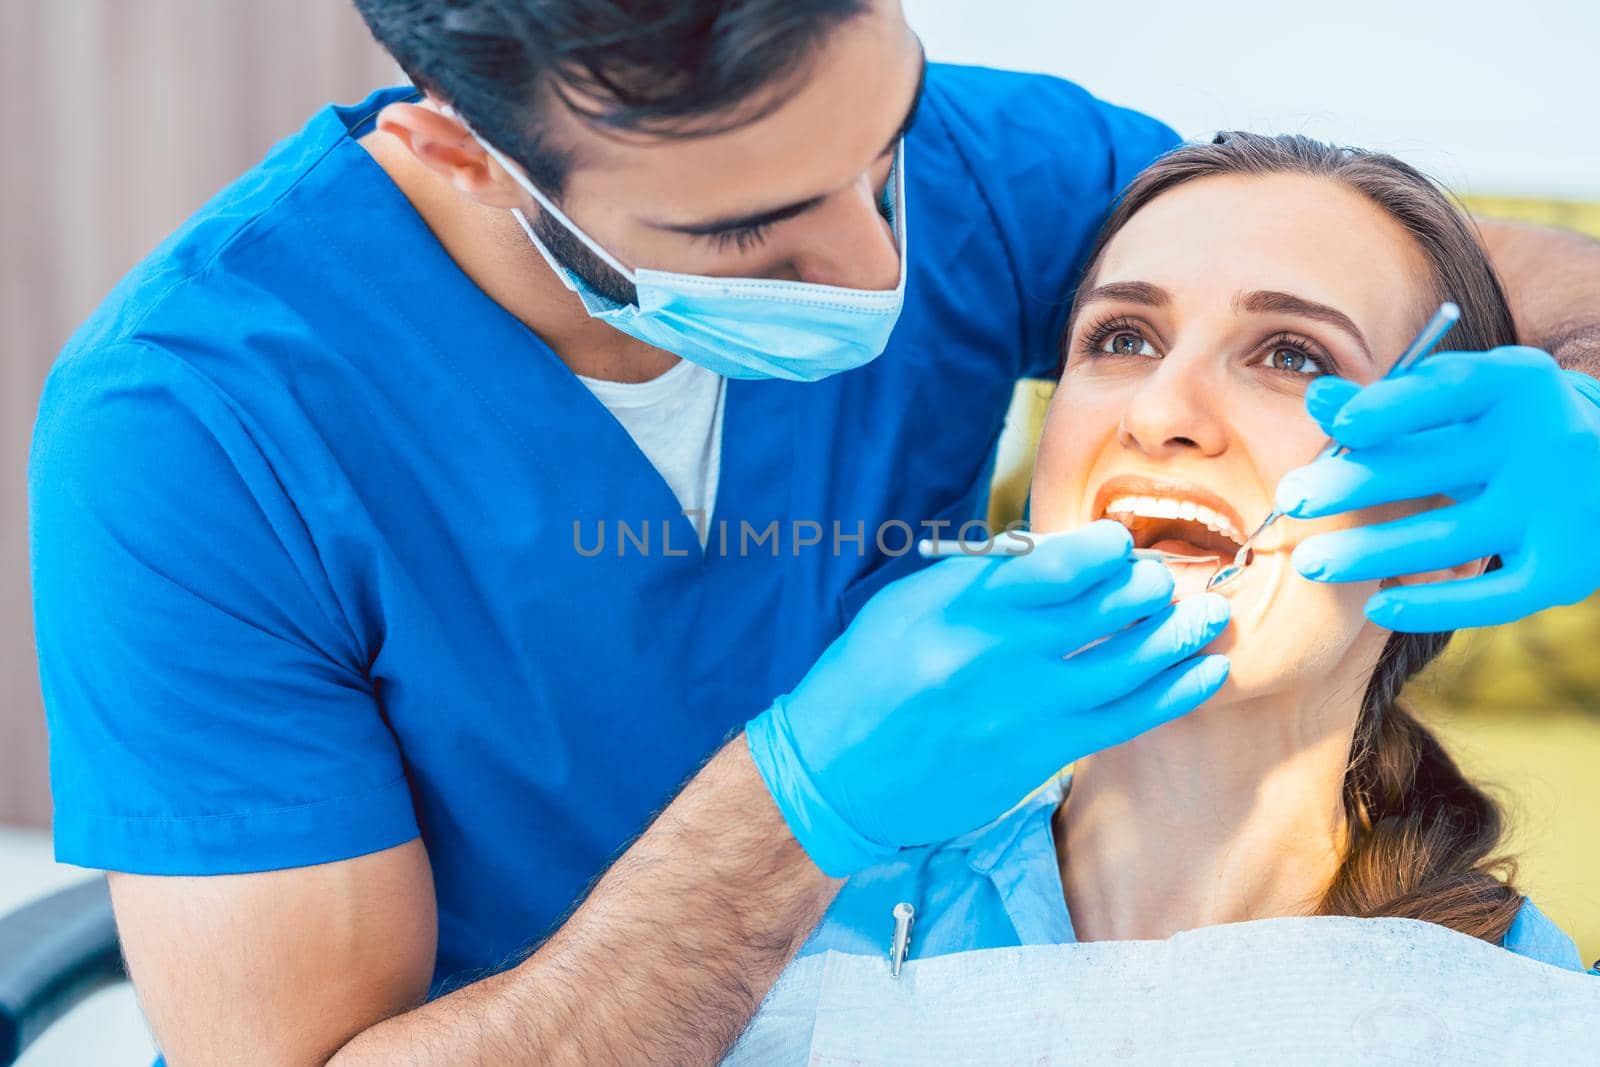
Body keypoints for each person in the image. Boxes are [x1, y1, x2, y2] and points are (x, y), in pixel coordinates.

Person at [26, 1, 1600, 1063]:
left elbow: (1430, 260)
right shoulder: (197, 427)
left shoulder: (982, 175)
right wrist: (796, 810)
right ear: (459, 151)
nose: (878, 270)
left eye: (885, 152)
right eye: (751, 229)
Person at [795, 133, 1585, 985]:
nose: (1160, 408)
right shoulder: (805, 946)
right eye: (1123, 338)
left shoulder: (1529, 1007)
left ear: (1447, 540)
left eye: (1292, 354)